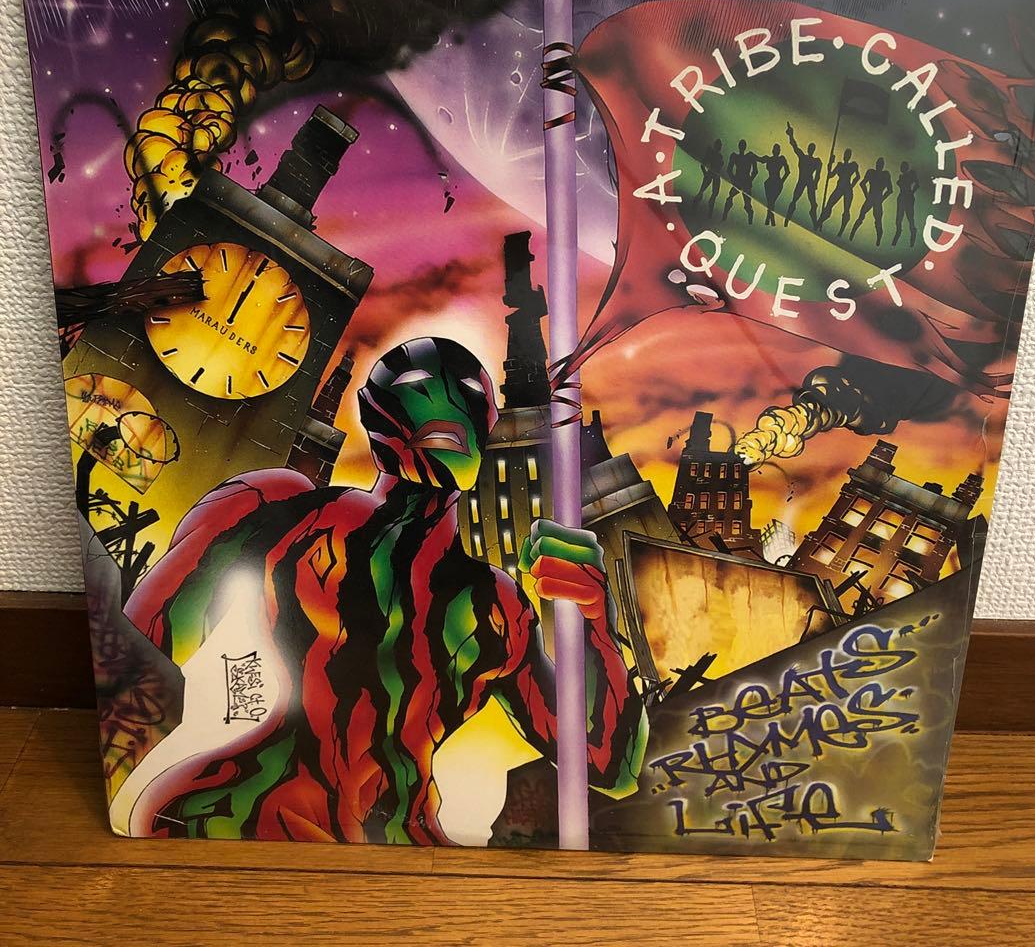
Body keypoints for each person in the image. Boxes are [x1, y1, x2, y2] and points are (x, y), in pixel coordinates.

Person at [124, 337, 646, 843]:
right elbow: (136, 663)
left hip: (399, 841)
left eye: (467, 395)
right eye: (423, 390)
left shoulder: (498, 606)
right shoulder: (285, 510)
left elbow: (609, 768)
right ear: (378, 418)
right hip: (247, 812)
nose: (449, 407)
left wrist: (597, 620)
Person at [783, 122, 822, 228]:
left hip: (809, 182)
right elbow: (794, 146)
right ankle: (787, 219)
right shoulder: (803, 157)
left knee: (813, 204)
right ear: (809, 149)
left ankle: (815, 223)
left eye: (812, 149)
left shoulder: (816, 161)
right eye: (810, 148)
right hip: (803, 181)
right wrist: (791, 135)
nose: (811, 150)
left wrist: (815, 183)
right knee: (794, 200)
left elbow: (818, 174)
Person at [849, 157, 894, 245]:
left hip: (876, 200)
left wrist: (881, 199)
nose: (879, 166)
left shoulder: (885, 175)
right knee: (861, 216)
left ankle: (878, 238)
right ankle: (852, 233)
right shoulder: (871, 172)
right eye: (878, 164)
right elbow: (862, 184)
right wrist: (867, 196)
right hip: (871, 198)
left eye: (880, 164)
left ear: (882, 166)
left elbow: (890, 190)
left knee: (877, 221)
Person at [818, 148, 861, 234]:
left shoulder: (853, 165)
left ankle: (841, 230)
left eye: (847, 155)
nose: (845, 156)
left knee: (846, 210)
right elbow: (830, 175)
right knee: (828, 206)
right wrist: (830, 163)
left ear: (849, 156)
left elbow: (858, 176)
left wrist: (852, 185)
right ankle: (819, 222)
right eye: (845, 154)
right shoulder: (840, 166)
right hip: (839, 188)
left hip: (847, 190)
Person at [756, 143, 790, 226]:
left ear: (779, 151)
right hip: (769, 183)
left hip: (777, 183)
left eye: (777, 149)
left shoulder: (781, 159)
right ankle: (770, 221)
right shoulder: (769, 159)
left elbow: (787, 171)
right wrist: (753, 155)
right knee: (770, 203)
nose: (775, 151)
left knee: (771, 202)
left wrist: (781, 181)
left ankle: (769, 221)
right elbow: (760, 159)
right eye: (774, 149)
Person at [692, 138, 725, 214]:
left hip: (715, 175)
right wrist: (705, 174)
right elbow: (703, 165)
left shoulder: (719, 156)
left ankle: (709, 210)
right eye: (719, 145)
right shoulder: (712, 154)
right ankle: (696, 205)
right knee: (702, 191)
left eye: (720, 146)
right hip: (711, 174)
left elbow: (718, 167)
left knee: (714, 193)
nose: (720, 147)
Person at [893, 161, 920, 246]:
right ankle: (898, 232)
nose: (901, 168)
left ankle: (913, 233)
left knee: (910, 217)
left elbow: (917, 184)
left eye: (903, 166)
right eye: (901, 167)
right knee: (899, 218)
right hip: (901, 198)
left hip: (908, 198)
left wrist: (911, 192)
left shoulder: (910, 175)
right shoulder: (901, 176)